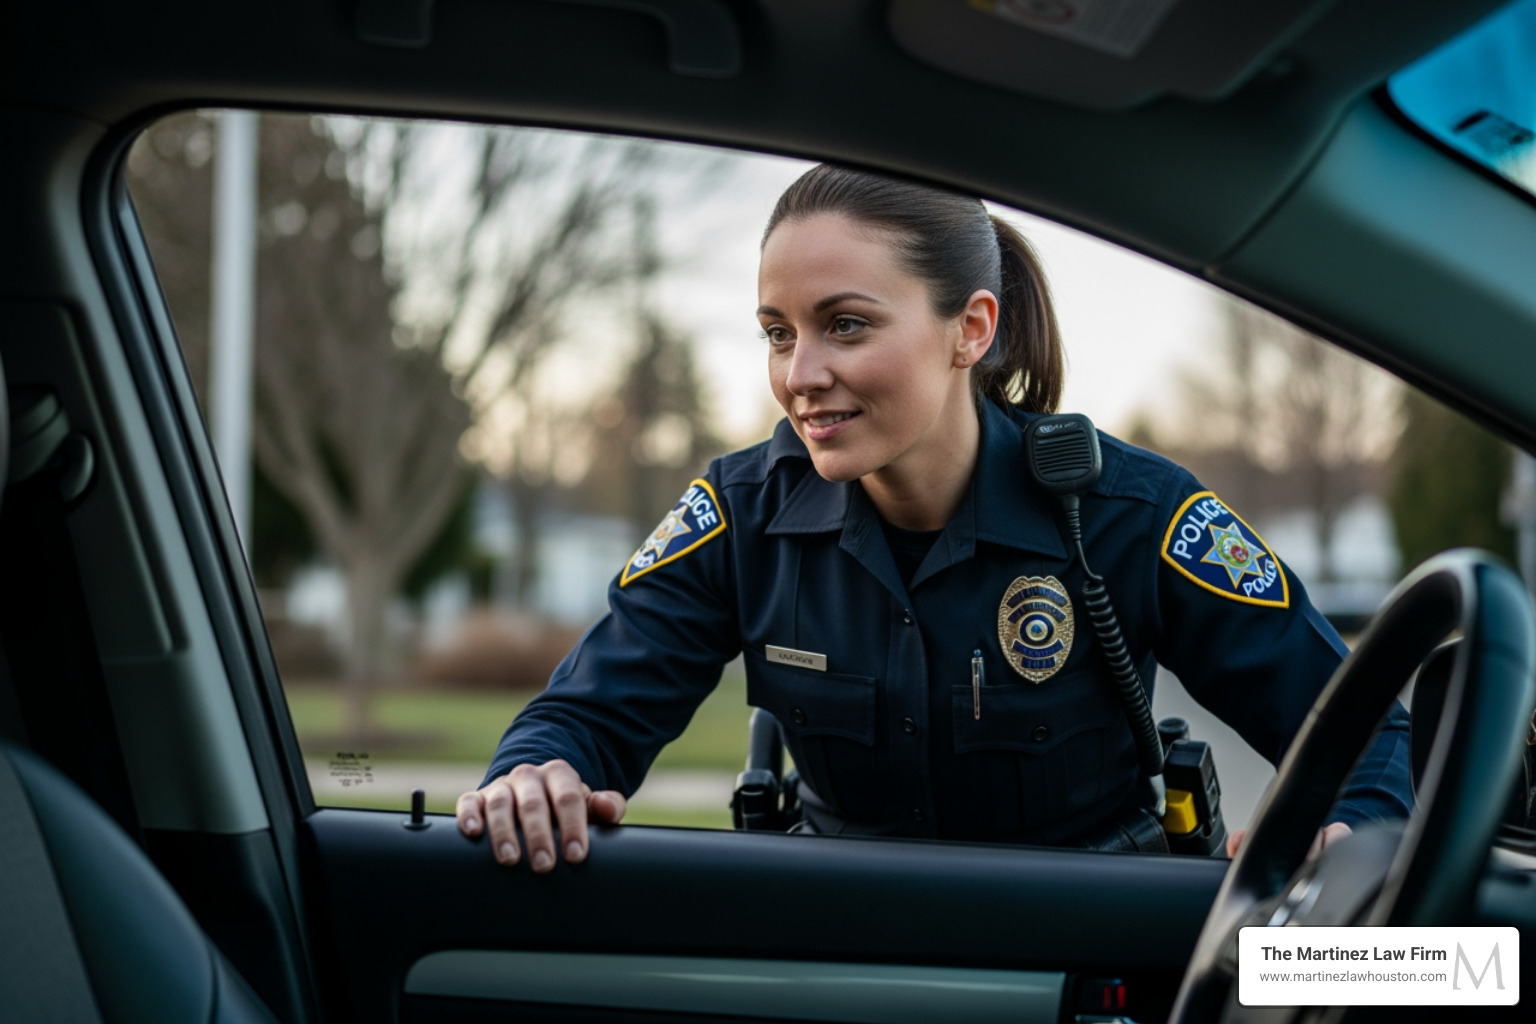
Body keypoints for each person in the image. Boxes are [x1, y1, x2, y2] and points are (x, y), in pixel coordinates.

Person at [455, 165, 1413, 872]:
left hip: (1092, 950)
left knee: (1448, 977)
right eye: (778, 333)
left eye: (848, 324)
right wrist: (538, 773)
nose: (799, 375)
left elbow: (1362, 732)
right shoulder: (740, 515)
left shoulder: (1133, 515)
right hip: (846, 952)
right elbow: (583, 718)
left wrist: (1356, 837)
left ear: (973, 329)